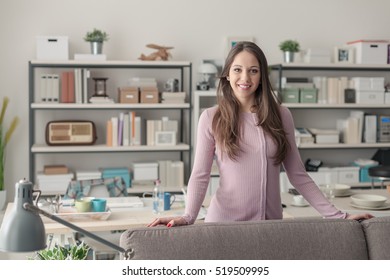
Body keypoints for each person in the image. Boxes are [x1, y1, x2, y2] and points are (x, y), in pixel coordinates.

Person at [148, 41, 373, 227]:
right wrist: (188, 217)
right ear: (227, 74)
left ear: (261, 76)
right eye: (237, 70)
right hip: (224, 224)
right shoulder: (211, 117)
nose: (245, 78)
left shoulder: (281, 115)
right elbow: (200, 174)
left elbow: (298, 174)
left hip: (270, 226)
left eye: (253, 71)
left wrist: (339, 216)